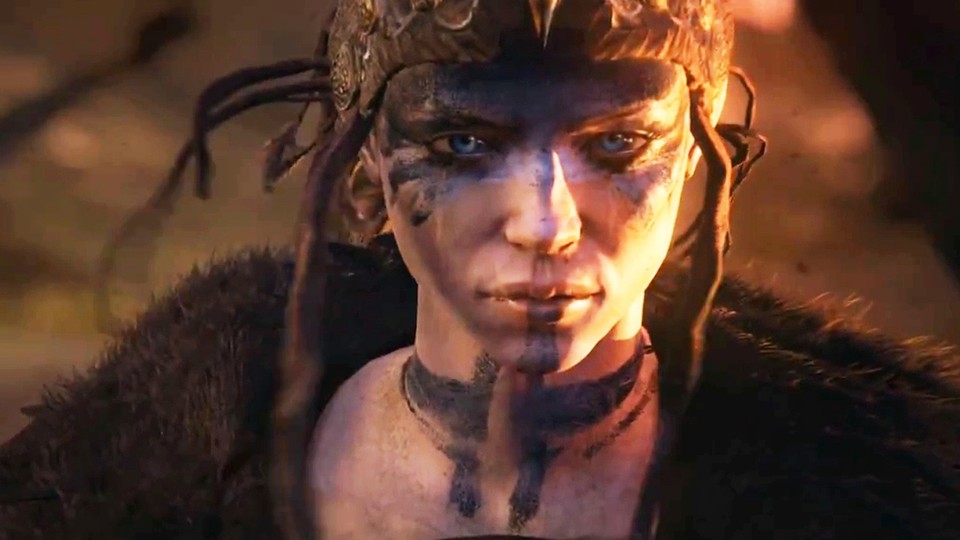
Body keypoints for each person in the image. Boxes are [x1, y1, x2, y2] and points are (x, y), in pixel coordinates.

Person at [1, 1, 958, 539]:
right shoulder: (131, 476)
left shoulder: (886, 497)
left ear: (697, 165)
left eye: (619, 146)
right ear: (368, 180)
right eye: (464, 142)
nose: (545, 223)